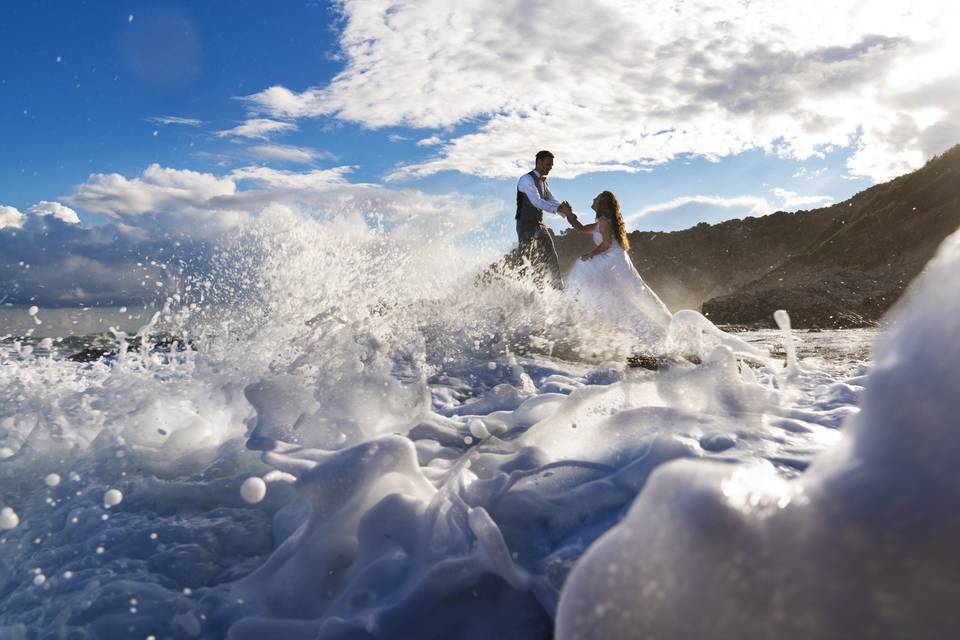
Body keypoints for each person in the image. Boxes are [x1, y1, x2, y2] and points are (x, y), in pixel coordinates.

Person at [564, 190, 673, 345]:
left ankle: (651, 333)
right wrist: (569, 213)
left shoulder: (603, 220)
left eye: (597, 198)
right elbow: (580, 228)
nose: (593, 198)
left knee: (627, 293)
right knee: (628, 293)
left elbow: (607, 243)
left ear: (601, 204)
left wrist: (590, 254)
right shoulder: (602, 221)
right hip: (612, 258)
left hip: (612, 259)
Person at [515, 150, 577, 289]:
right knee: (525, 257)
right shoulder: (526, 180)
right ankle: (521, 287)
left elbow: (551, 200)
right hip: (525, 224)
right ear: (539, 162)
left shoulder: (544, 183)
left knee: (550, 251)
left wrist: (565, 210)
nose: (550, 167)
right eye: (548, 164)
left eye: (551, 165)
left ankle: (558, 286)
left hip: (538, 223)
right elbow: (537, 201)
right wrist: (561, 210)